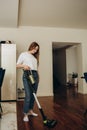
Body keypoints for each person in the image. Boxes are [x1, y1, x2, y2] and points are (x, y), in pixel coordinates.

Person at [16, 42, 40, 122]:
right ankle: (25, 114)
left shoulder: (34, 57)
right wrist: (24, 66)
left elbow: (35, 68)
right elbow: (16, 65)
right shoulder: (24, 54)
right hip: (27, 75)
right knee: (28, 95)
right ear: (31, 47)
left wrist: (38, 77)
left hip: (35, 75)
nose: (35, 51)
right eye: (34, 48)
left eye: (37, 49)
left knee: (34, 95)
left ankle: (30, 111)